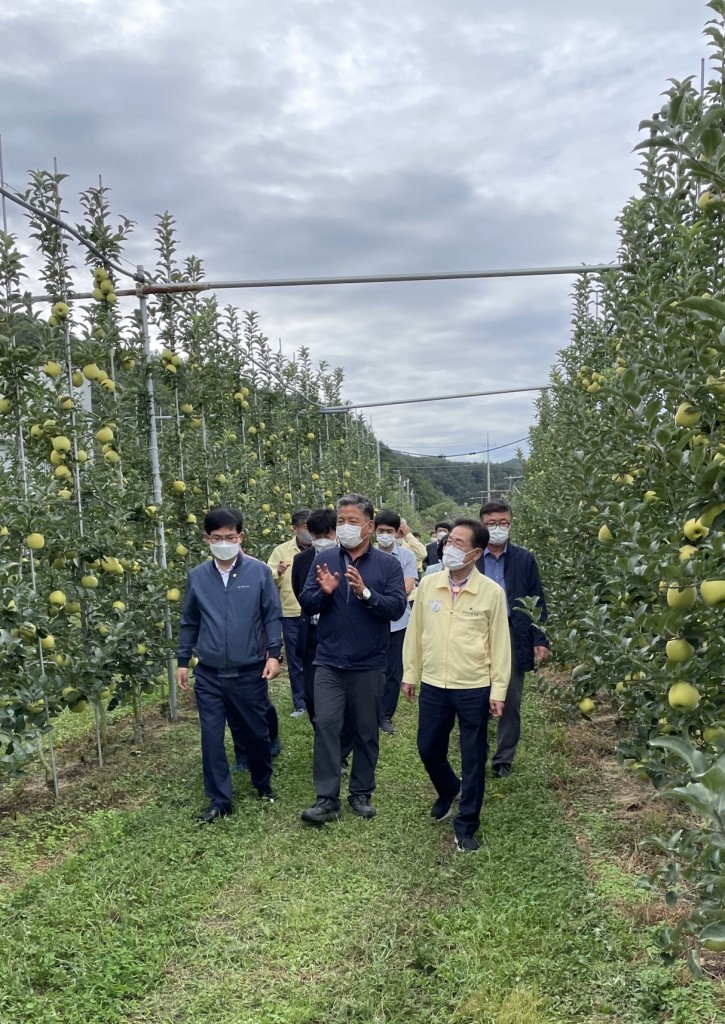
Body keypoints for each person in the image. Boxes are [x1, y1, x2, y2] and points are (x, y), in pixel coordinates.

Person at [402, 518, 511, 852]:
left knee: (473, 756)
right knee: (428, 747)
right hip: (435, 682)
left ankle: (466, 823)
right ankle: (449, 788)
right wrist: (410, 673)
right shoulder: (429, 585)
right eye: (449, 542)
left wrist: (498, 690)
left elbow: (500, 643)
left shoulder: (491, 592)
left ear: (476, 553)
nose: (450, 547)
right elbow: (415, 633)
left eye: (459, 544)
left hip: (474, 685)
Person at [299, 493, 407, 824]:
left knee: (364, 730)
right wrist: (325, 592)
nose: (345, 527)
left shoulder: (388, 565)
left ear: (370, 527)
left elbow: (396, 607)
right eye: (341, 521)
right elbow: (307, 601)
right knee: (327, 725)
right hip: (329, 661)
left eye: (353, 521)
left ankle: (361, 792)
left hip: (369, 662)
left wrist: (366, 594)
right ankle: (326, 798)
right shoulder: (325, 560)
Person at [176, 507, 283, 822]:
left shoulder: (258, 572)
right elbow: (189, 621)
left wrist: (273, 654)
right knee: (211, 737)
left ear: (241, 538)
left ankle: (262, 782)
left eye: (230, 537)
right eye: (218, 538)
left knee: (256, 733)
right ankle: (219, 800)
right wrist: (183, 660)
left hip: (248, 670)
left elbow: (271, 615)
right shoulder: (197, 576)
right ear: (207, 539)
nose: (224, 542)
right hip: (208, 673)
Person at [476, 500, 549, 779]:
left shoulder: (524, 559)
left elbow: (537, 600)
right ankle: (476, 755)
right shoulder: (472, 557)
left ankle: (503, 759)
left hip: (513, 630)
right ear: (482, 525)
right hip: (477, 632)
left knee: (511, 698)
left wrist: (539, 638)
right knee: (476, 695)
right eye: (491, 523)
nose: (498, 528)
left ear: (511, 523)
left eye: (503, 523)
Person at [374, 509, 418, 734]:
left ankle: (385, 715)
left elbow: (407, 588)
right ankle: (369, 711)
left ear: (397, 532)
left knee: (394, 671)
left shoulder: (406, 556)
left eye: (389, 531)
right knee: (373, 669)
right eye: (380, 531)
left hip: (398, 622)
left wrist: (376, 595)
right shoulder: (367, 555)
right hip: (371, 621)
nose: (384, 535)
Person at [267, 508, 312, 717]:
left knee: (317, 657)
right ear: (294, 529)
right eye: (304, 527)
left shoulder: (322, 548)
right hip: (291, 612)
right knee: (295, 659)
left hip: (316, 611)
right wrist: (278, 572)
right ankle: (300, 702)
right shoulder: (281, 551)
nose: (308, 531)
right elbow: (268, 579)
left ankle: (318, 697)